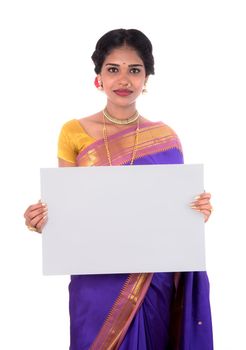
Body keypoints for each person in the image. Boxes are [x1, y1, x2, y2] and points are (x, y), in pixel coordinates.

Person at [24, 28, 213, 349]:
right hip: (95, 276)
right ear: (98, 75)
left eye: (134, 70)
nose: (124, 80)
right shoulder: (74, 132)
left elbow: (174, 214)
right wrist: (41, 220)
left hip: (153, 277)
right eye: (113, 69)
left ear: (146, 78)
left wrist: (199, 212)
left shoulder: (166, 136)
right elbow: (69, 210)